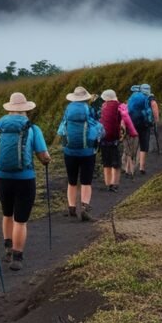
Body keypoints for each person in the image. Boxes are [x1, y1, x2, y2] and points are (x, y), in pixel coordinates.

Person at [0, 92, 51, 271]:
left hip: (3, 178)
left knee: (7, 214)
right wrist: (46, 160)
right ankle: (17, 257)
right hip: (25, 178)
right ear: (26, 109)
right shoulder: (33, 129)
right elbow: (43, 156)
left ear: (9, 109)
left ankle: (7, 248)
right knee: (20, 220)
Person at [56, 86, 104, 221]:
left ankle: (71, 208)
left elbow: (61, 130)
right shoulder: (90, 110)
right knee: (86, 181)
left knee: (71, 181)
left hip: (69, 151)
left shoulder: (68, 111)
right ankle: (84, 209)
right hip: (88, 151)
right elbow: (98, 127)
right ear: (86, 98)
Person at [98, 89, 137, 193]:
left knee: (106, 163)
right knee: (116, 163)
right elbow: (125, 118)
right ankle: (115, 184)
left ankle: (108, 184)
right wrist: (132, 132)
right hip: (114, 139)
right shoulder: (119, 106)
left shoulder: (103, 107)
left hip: (103, 138)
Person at [126, 84, 155, 176]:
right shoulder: (147, 98)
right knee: (143, 145)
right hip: (143, 124)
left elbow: (127, 111)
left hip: (132, 124)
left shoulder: (132, 97)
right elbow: (149, 112)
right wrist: (151, 122)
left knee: (131, 146)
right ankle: (142, 167)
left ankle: (128, 169)